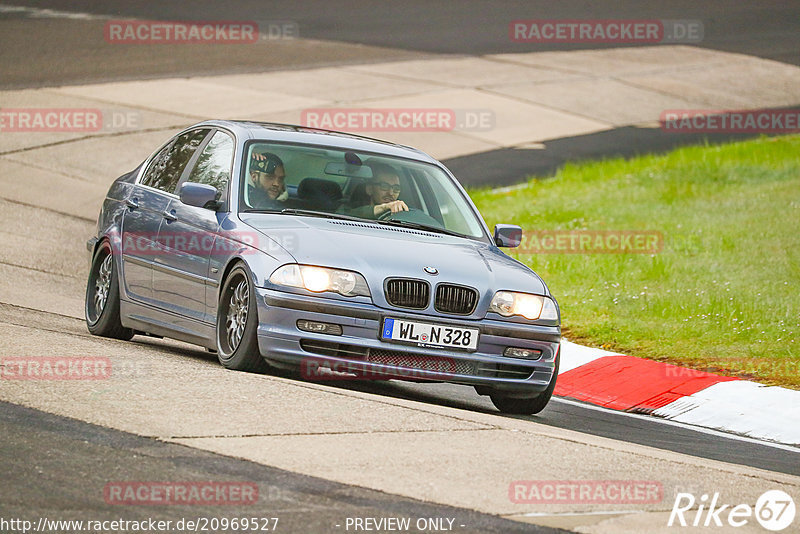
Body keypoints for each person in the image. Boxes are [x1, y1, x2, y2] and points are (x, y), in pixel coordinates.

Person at [343, 161, 408, 219]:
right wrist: (384, 208)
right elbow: (344, 215)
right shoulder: (349, 208)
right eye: (384, 186)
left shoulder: (404, 216)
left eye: (396, 188)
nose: (391, 193)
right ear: (369, 189)